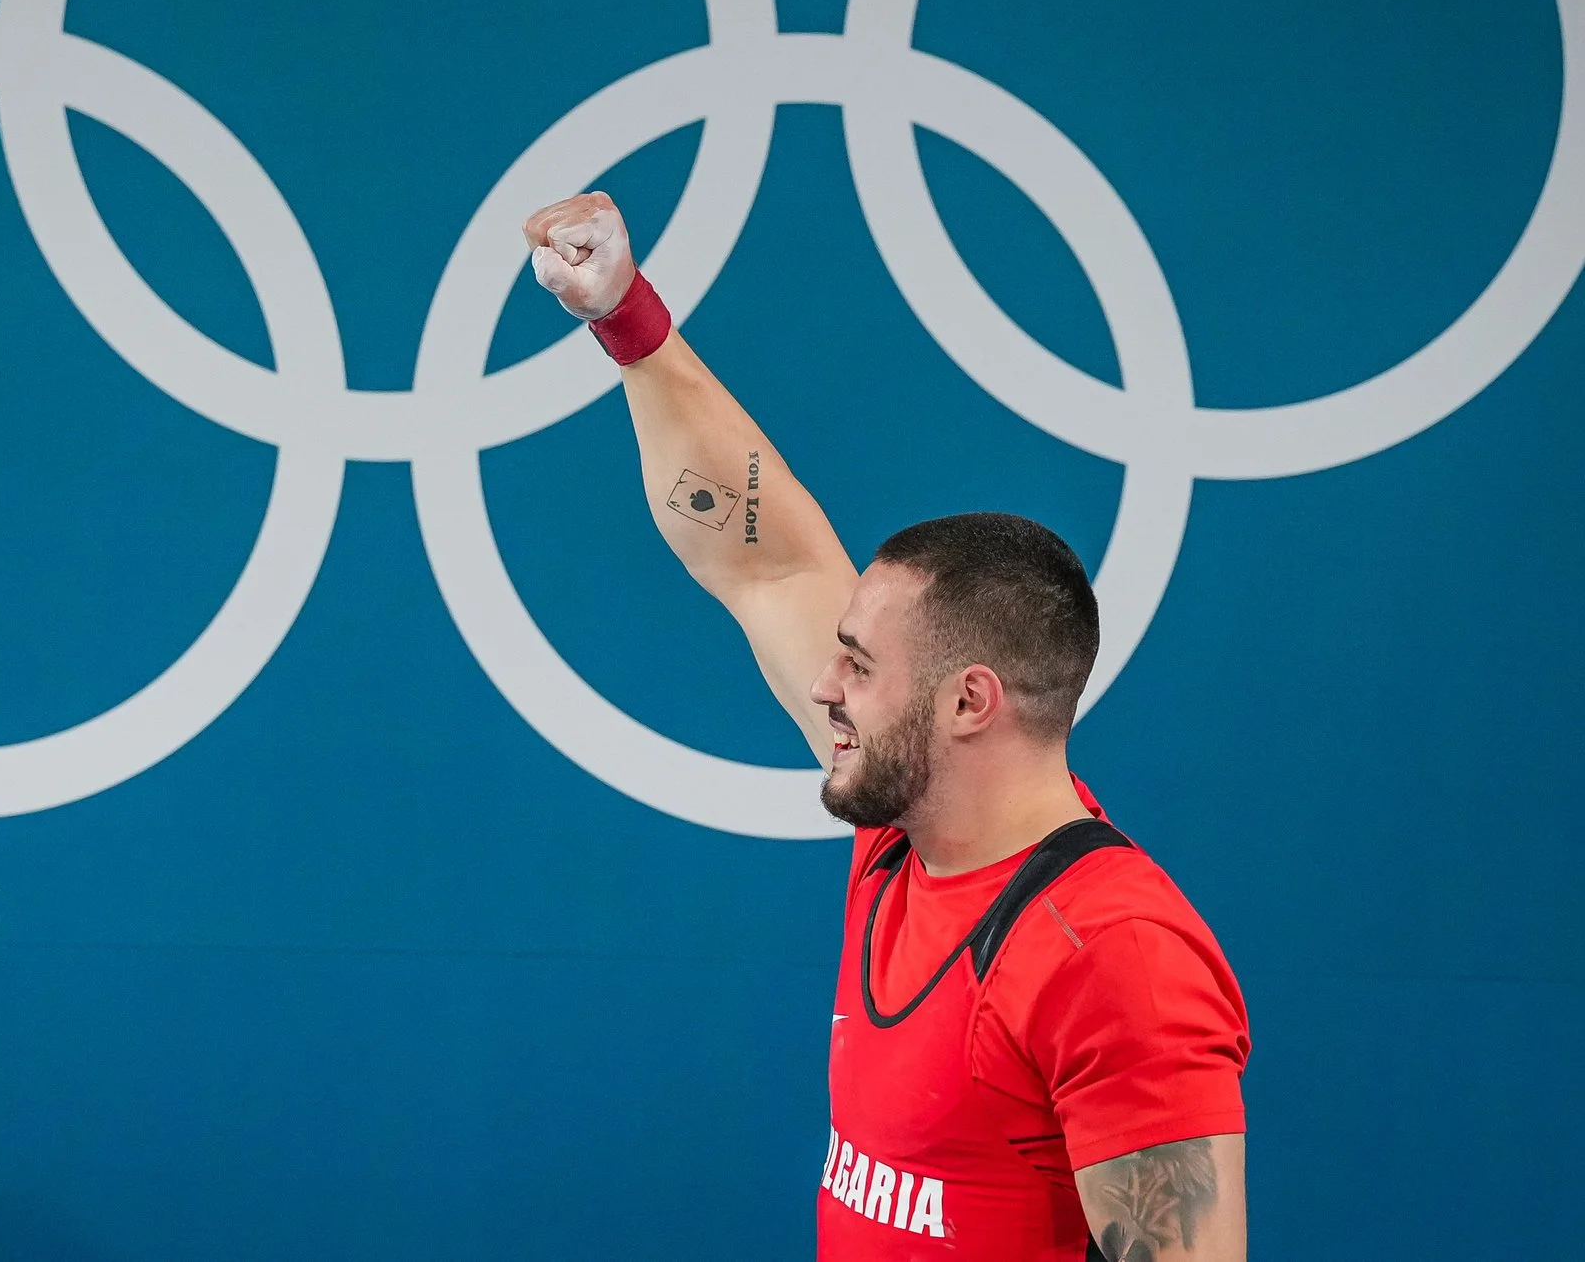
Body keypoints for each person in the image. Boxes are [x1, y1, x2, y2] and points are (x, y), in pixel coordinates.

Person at [522, 192, 1249, 1262]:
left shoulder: (1112, 957)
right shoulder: (905, 832)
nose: (823, 685)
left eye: (858, 664)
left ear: (967, 701)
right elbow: (760, 557)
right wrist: (627, 318)